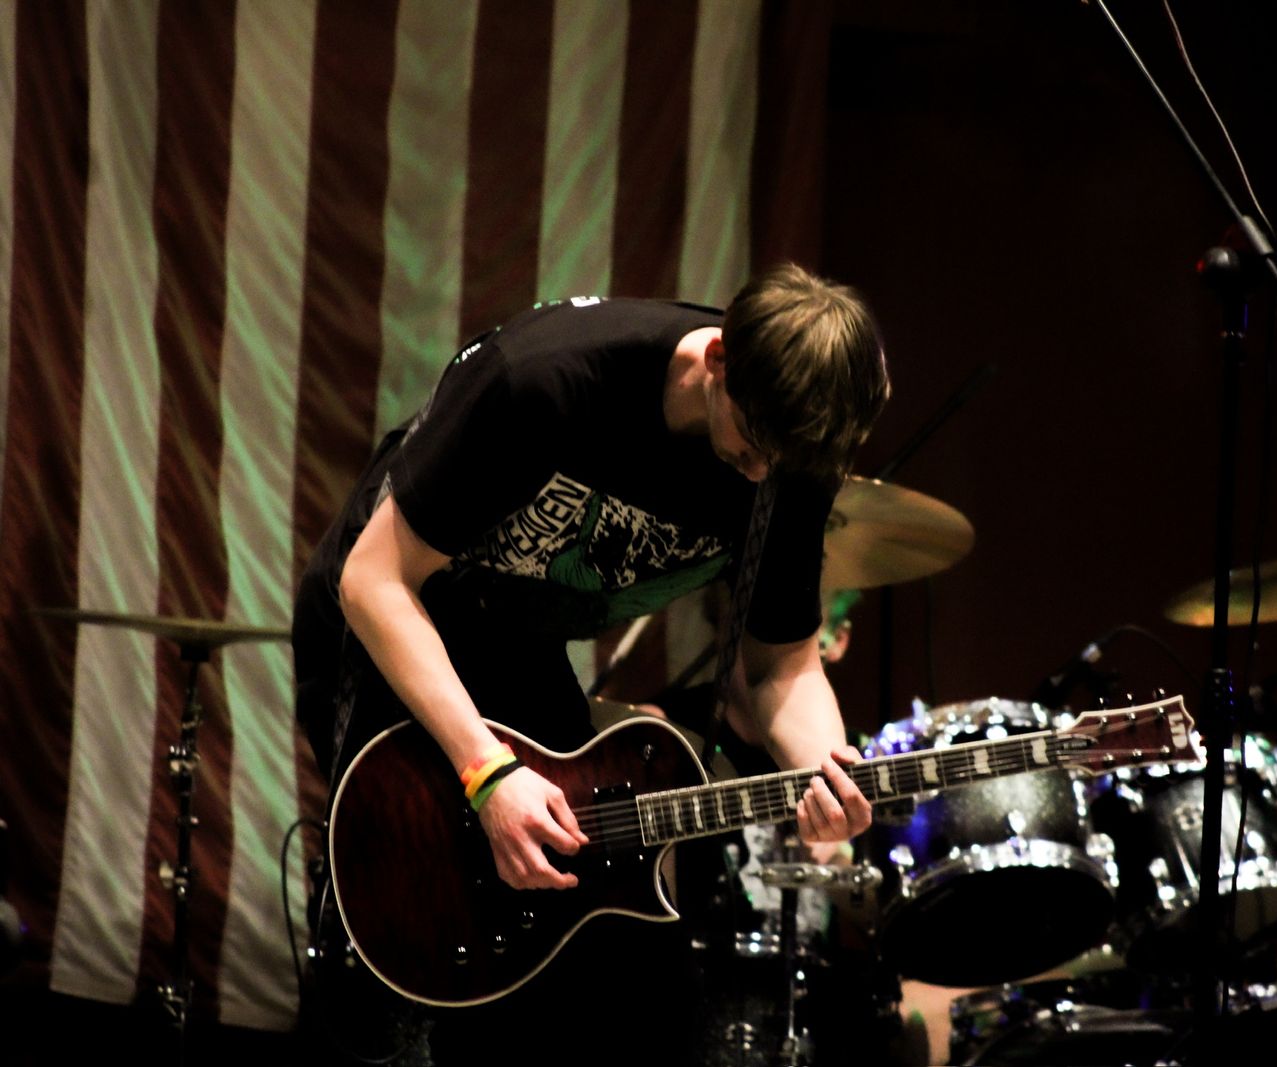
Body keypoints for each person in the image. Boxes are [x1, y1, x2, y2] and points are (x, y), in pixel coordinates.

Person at [291, 263, 891, 1064]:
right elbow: (373, 581)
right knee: (403, 965)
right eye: (750, 448)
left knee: (584, 971)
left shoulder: (791, 458)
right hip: (389, 630)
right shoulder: (543, 380)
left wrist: (824, 770)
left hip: (518, 647)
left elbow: (783, 663)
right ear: (717, 359)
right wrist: (487, 772)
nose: (758, 475)